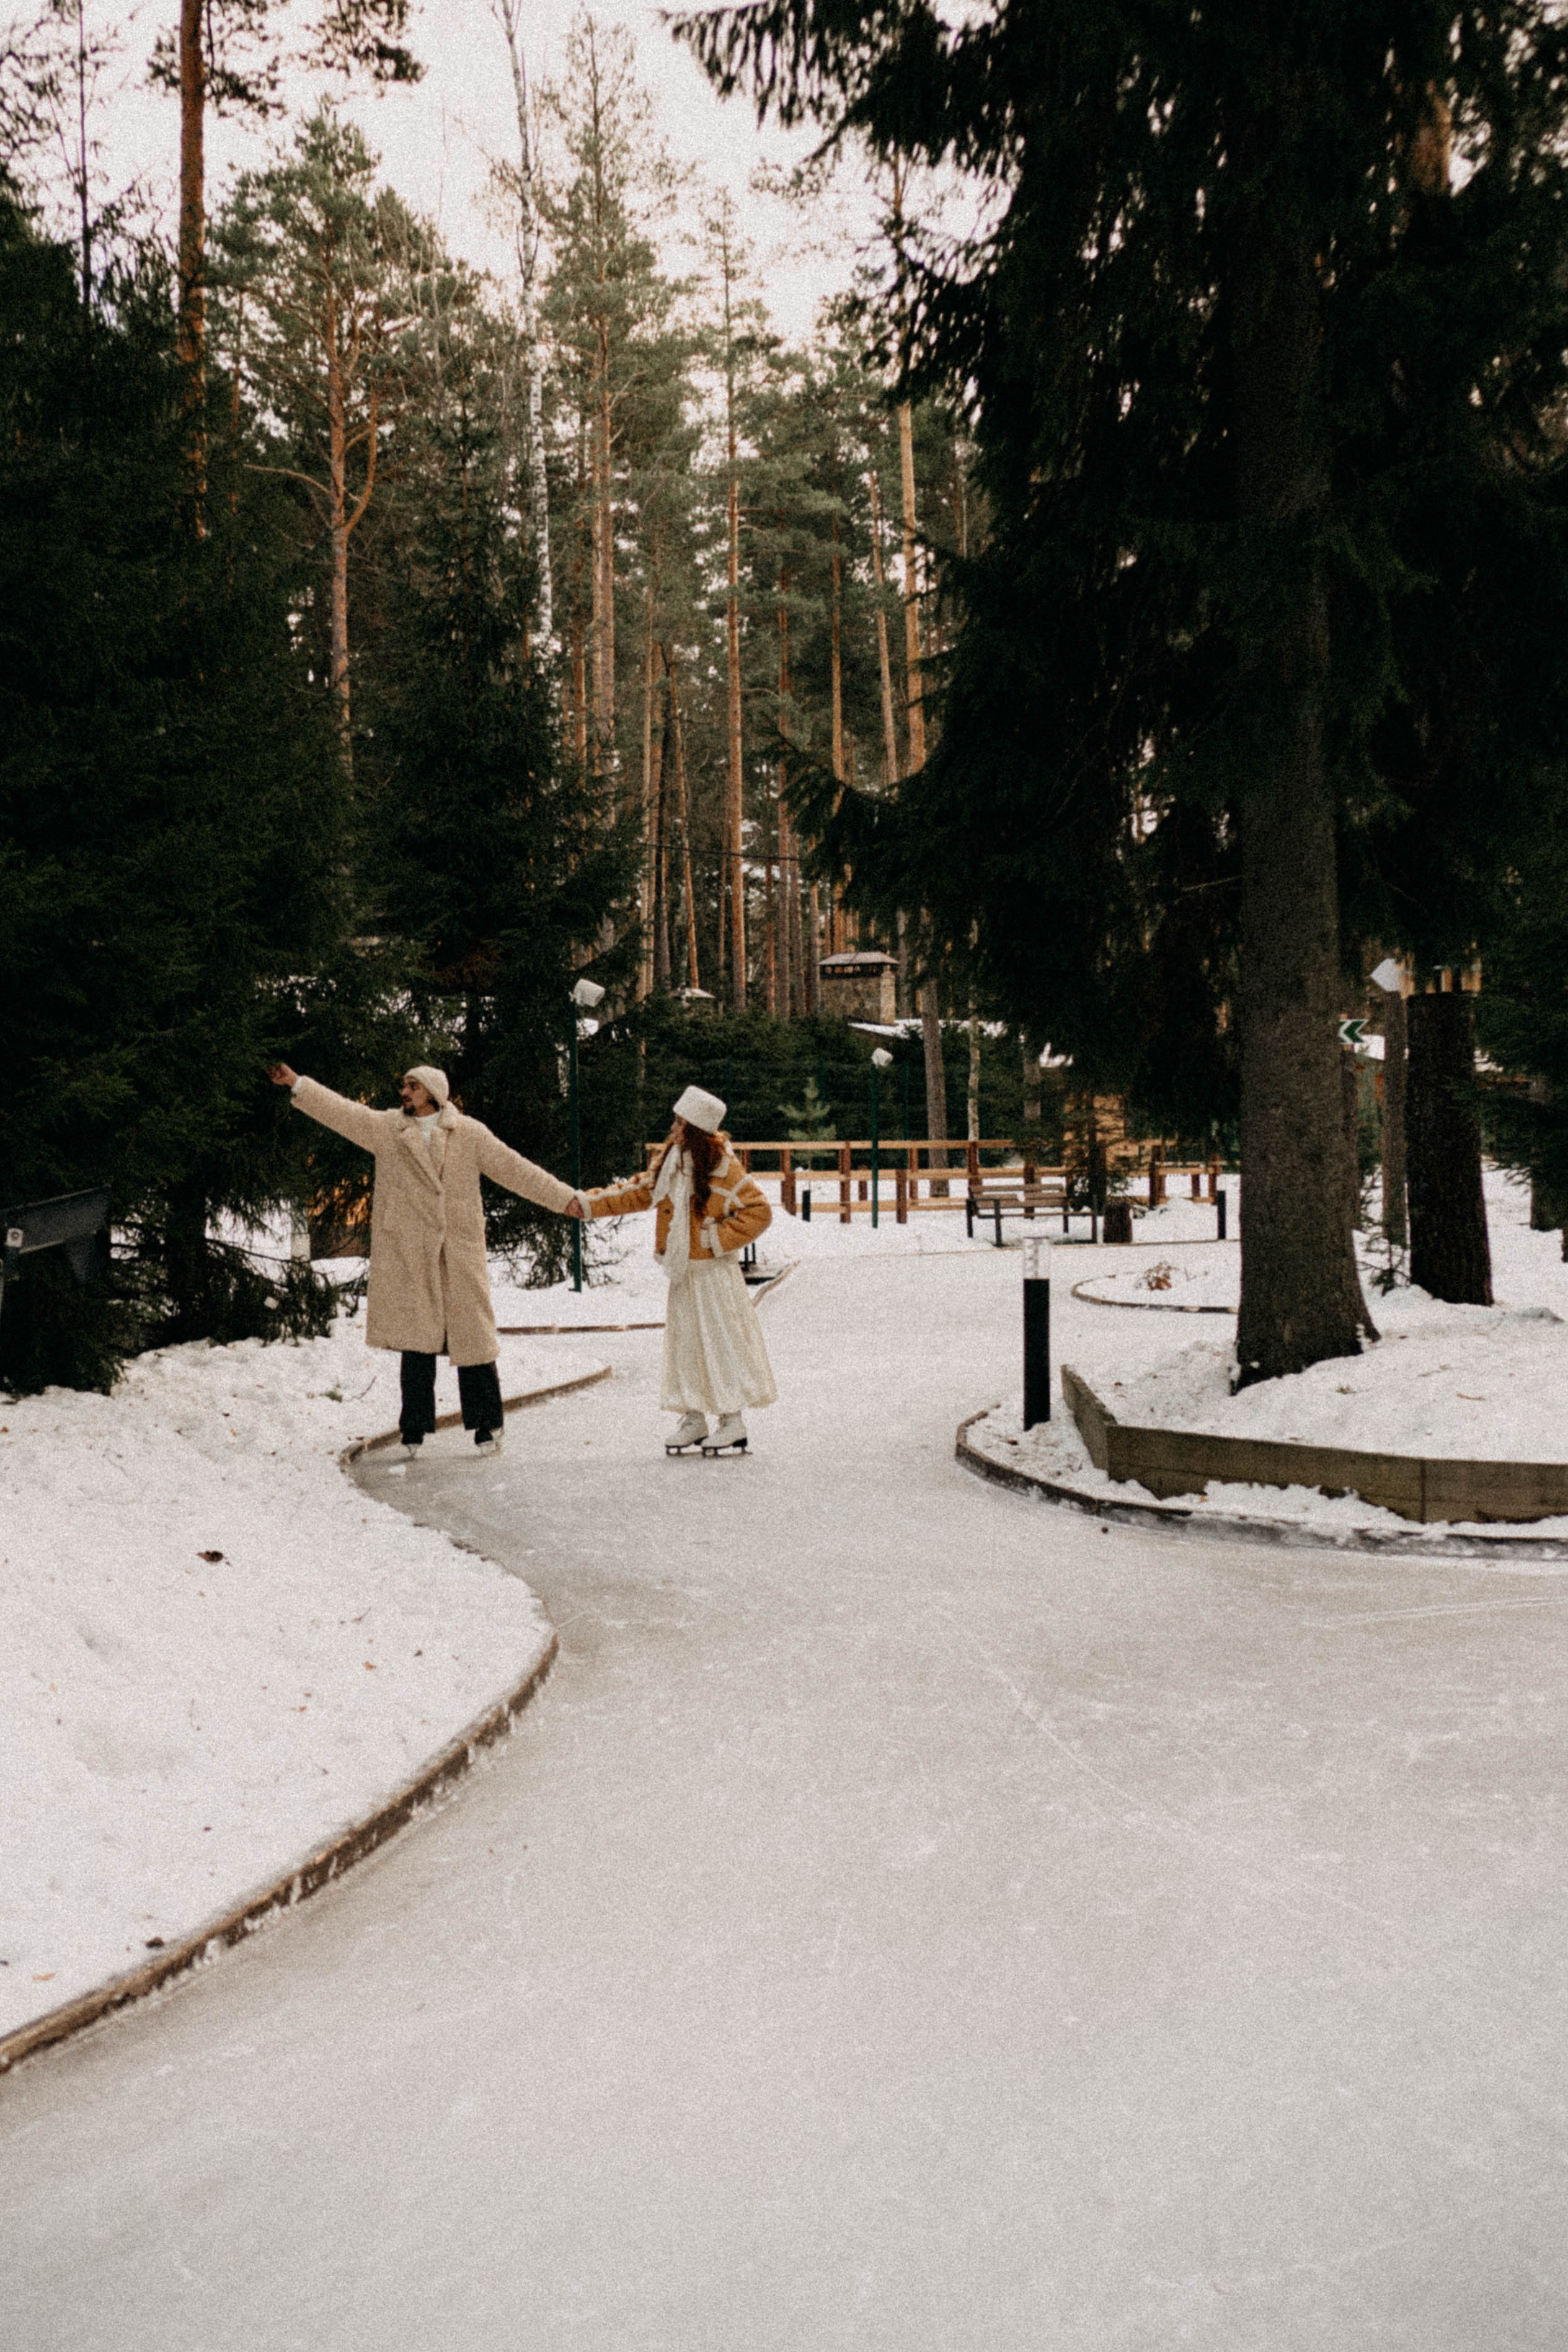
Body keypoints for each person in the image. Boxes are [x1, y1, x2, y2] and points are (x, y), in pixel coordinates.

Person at [268, 1061, 585, 1460]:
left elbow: (515, 1169)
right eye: (404, 1085)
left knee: (473, 1342)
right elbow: (343, 1113)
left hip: (458, 1252)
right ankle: (414, 1428)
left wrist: (564, 1199)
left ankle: (487, 1424)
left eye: (413, 1086)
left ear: (433, 1093)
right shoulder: (388, 1129)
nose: (404, 1092)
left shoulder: (469, 1134)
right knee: (416, 1344)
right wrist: (298, 1083)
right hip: (411, 1252)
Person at [580, 1085, 776, 1455]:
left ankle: (732, 1421)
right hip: (684, 1272)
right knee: (686, 1346)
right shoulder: (672, 1161)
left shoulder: (722, 1167)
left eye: (680, 1122)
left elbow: (759, 1211)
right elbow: (639, 1191)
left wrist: (714, 1238)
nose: (673, 1128)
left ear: (696, 1128)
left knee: (719, 1344)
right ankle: (694, 1417)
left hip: (714, 1276)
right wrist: (587, 1204)